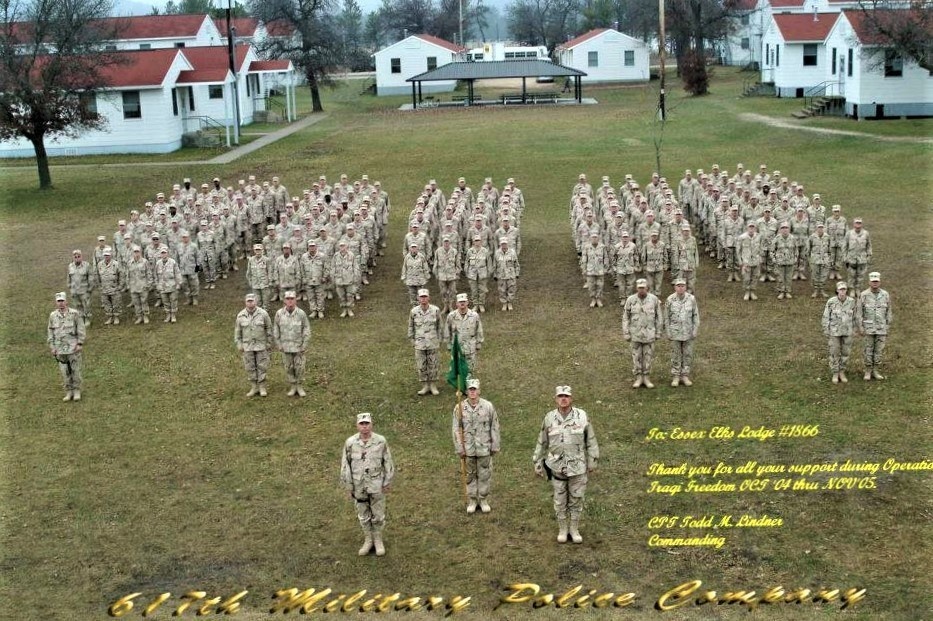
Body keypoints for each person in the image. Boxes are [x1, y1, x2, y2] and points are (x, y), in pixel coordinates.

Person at [532, 385, 599, 544]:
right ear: (556, 399)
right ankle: (563, 529)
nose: (563, 399)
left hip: (578, 467)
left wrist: (593, 460)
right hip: (556, 468)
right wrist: (537, 461)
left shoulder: (582, 416)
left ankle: (574, 529)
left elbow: (591, 440)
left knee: (576, 498)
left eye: (566, 396)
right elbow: (542, 441)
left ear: (571, 398)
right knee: (559, 500)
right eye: (560, 396)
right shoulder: (549, 418)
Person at [341, 412, 395, 557]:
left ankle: (378, 540)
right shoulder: (350, 443)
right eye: (361, 424)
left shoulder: (380, 441)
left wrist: (387, 481)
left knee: (378, 514)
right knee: (363, 514)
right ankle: (368, 540)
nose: (364, 427)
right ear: (357, 425)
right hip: (359, 485)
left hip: (376, 484)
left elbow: (387, 461)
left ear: (371, 424)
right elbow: (346, 465)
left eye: (367, 423)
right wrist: (349, 486)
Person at [452, 378, 500, 514]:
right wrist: (459, 448)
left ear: (479, 391)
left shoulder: (488, 406)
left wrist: (495, 445)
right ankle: (472, 500)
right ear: (466, 391)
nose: (472, 392)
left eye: (475, 389)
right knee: (470, 475)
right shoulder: (459, 408)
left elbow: (494, 426)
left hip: (484, 447)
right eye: (470, 389)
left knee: (484, 474)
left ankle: (483, 500)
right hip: (468, 449)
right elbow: (456, 429)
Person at [622, 279, 663, 388]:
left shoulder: (654, 299)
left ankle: (646, 377)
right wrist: (626, 332)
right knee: (636, 356)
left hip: (649, 335)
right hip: (635, 334)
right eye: (639, 287)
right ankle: (638, 377)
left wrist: (658, 332)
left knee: (648, 357)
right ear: (637, 288)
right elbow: (626, 317)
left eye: (643, 287)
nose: (641, 290)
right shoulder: (631, 300)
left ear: (647, 288)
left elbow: (659, 317)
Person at [47, 292, 86, 401]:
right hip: (60, 349)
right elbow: (50, 332)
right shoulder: (53, 316)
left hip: (73, 348)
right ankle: (69, 391)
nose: (61, 303)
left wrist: (80, 343)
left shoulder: (74, 314)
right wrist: (52, 346)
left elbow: (81, 329)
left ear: (66, 301)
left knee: (75, 370)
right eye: (59, 301)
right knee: (65, 372)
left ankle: (77, 390)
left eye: (62, 301)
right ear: (56, 302)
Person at [234, 293, 273, 397]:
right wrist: (239, 344)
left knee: (262, 366)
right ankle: (254, 387)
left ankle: (262, 387)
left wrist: (269, 342)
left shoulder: (263, 314)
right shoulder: (240, 315)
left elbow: (269, 328)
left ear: (256, 302)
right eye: (248, 301)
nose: (250, 302)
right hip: (247, 346)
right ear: (245, 302)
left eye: (252, 300)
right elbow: (237, 332)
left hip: (261, 345)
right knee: (249, 366)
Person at [273, 290, 311, 397]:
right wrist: (278, 344)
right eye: (288, 299)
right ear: (284, 300)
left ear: (296, 300)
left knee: (300, 367)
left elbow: (306, 329)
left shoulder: (301, 314)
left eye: (292, 299)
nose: (290, 301)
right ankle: (293, 386)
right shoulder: (279, 314)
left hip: (298, 347)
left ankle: (299, 386)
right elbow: (276, 329)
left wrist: (304, 345)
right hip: (285, 347)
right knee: (288, 367)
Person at [857, 272, 892, 381]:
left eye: (876, 281)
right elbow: (859, 313)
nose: (875, 283)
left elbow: (889, 311)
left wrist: (888, 325)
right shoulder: (863, 295)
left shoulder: (885, 295)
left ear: (880, 282)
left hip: (881, 328)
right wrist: (860, 327)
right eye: (873, 281)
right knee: (868, 349)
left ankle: (875, 370)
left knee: (879, 350)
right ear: (869, 282)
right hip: (868, 328)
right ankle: (867, 371)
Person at [408, 288, 443, 395]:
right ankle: (425, 386)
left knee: (433, 364)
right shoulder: (413, 311)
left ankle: (432, 385)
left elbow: (440, 326)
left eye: (425, 297)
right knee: (421, 365)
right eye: (421, 297)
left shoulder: (435, 310)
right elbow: (411, 326)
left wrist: (440, 339)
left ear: (428, 298)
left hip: (432, 342)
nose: (423, 299)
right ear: (418, 298)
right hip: (419, 343)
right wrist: (412, 339)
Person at [666, 279, 699, 386]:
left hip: (688, 332)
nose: (680, 288)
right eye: (678, 286)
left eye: (682, 286)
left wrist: (695, 330)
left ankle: (685, 375)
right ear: (675, 287)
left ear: (685, 287)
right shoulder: (670, 299)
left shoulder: (691, 299)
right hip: (675, 332)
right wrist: (668, 332)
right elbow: (666, 317)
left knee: (687, 354)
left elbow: (695, 315)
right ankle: (676, 376)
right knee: (676, 354)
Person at [822, 282, 857, 384]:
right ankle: (835, 372)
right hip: (834, 332)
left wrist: (855, 329)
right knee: (834, 352)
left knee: (846, 352)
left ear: (847, 290)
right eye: (840, 289)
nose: (842, 291)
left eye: (844, 289)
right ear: (837, 290)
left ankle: (842, 371)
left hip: (847, 331)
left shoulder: (851, 302)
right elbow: (825, 317)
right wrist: (826, 330)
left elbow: (855, 316)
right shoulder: (831, 302)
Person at [444, 293, 484, 374]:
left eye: (464, 301)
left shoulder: (474, 315)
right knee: (458, 369)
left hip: (470, 347)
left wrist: (479, 342)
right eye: (460, 302)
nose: (462, 303)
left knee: (470, 369)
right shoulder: (451, 316)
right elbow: (447, 331)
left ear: (467, 303)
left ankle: (469, 385)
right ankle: (460, 386)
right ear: (456, 303)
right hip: (456, 347)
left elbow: (479, 329)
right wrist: (448, 343)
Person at [580, 231, 609, 308]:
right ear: (590, 238)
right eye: (593, 237)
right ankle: (593, 299)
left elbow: (605, 258)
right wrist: (584, 269)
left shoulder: (602, 247)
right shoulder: (586, 247)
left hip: (600, 270)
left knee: (600, 285)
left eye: (595, 237)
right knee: (591, 286)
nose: (594, 239)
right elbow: (584, 259)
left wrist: (606, 268)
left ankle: (598, 299)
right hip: (590, 270)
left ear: (598, 238)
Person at [153, 247, 182, 323]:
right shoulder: (158, 263)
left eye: (165, 253)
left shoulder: (173, 262)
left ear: (167, 253)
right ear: (160, 254)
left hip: (172, 286)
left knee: (173, 300)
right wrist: (157, 285)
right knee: (165, 302)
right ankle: (168, 314)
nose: (163, 254)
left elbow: (177, 273)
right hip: (162, 287)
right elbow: (155, 275)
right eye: (162, 253)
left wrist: (178, 283)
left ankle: (173, 315)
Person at [96, 247, 123, 324]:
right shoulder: (100, 264)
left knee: (116, 303)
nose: (106, 257)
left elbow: (121, 275)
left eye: (108, 255)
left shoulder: (116, 264)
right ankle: (110, 317)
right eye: (105, 255)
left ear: (111, 255)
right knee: (106, 303)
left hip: (114, 288)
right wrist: (99, 286)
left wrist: (120, 286)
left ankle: (116, 317)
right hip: (104, 288)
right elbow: (97, 276)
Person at [67, 250, 95, 327]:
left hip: (84, 290)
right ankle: (80, 318)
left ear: (81, 257)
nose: (77, 258)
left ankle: (87, 319)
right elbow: (69, 277)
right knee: (77, 306)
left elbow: (91, 278)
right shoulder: (70, 266)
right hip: (74, 291)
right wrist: (69, 286)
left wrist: (90, 289)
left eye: (78, 256)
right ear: (73, 258)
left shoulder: (87, 265)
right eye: (75, 257)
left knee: (86, 306)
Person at [844, 217, 872, 294]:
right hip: (851, 258)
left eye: (859, 223)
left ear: (862, 224)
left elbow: (869, 245)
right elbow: (845, 246)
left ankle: (858, 288)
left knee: (861, 275)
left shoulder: (866, 233)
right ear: (853, 224)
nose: (858, 225)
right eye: (856, 223)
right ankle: (852, 289)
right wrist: (845, 257)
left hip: (862, 258)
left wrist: (869, 255)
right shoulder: (849, 233)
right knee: (851, 274)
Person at [125, 246, 152, 324]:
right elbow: (127, 274)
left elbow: (149, 273)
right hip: (133, 286)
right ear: (133, 253)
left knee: (144, 302)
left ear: (140, 252)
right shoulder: (129, 262)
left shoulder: (145, 262)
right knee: (136, 303)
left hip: (143, 285)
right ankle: (139, 317)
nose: (136, 253)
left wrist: (149, 284)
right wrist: (128, 284)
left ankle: (145, 316)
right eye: (135, 252)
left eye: (138, 252)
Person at [736, 222, 762, 301]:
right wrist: (740, 262)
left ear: (755, 228)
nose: (751, 229)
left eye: (753, 227)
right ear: (747, 228)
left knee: (755, 277)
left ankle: (752, 291)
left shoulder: (759, 236)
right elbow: (738, 250)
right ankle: (747, 292)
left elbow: (761, 248)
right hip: (746, 262)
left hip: (756, 261)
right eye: (750, 227)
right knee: (746, 278)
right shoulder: (742, 237)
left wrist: (760, 259)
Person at [772, 222, 798, 299]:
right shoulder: (776, 239)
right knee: (780, 277)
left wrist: (795, 258)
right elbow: (772, 250)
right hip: (780, 261)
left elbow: (796, 249)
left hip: (790, 261)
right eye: (783, 228)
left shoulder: (793, 238)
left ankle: (787, 292)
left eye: (786, 228)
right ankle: (781, 291)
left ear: (789, 229)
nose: (784, 230)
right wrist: (774, 259)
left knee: (788, 277)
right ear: (780, 230)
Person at [493, 237, 520, 311]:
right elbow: (494, 265)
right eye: (502, 244)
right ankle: (504, 303)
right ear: (500, 244)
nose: (504, 245)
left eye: (505, 243)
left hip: (511, 274)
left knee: (512, 289)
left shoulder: (512, 252)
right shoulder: (497, 253)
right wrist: (495, 275)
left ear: (507, 244)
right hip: (501, 275)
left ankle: (509, 303)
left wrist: (517, 273)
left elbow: (516, 264)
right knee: (502, 290)